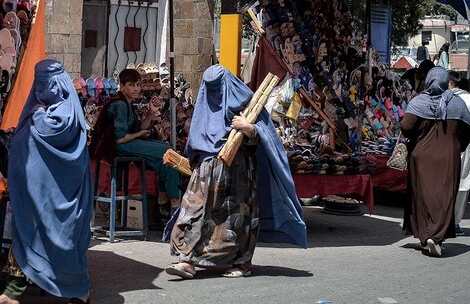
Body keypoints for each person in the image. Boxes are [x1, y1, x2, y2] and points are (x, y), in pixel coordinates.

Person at [165, 65, 307, 279]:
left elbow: (267, 137)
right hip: (205, 173)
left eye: (218, 88)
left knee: (235, 220)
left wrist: (248, 128)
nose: (215, 94)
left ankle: (241, 263)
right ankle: (186, 260)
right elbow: (195, 139)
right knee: (193, 212)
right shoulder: (205, 105)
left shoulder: (247, 103)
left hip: (238, 174)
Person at [1, 59, 92, 304]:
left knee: (65, 241)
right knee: (27, 235)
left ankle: (79, 291)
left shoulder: (65, 112)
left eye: (45, 82)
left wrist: (39, 116)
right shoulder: (39, 109)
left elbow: (55, 132)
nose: (40, 88)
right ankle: (13, 292)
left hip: (62, 194)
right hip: (35, 194)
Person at [89, 69, 181, 219]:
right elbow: (120, 138)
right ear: (122, 86)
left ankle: (164, 201)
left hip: (127, 143)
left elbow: (140, 128)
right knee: (166, 151)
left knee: (166, 158)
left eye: (138, 85)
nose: (136, 88)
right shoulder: (119, 104)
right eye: (132, 85)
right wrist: (139, 134)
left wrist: (151, 113)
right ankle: (172, 203)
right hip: (117, 147)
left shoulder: (128, 104)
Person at [400, 66, 470, 257]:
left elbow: (406, 126)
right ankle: (436, 236)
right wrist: (457, 145)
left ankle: (426, 235)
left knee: (422, 196)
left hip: (421, 158)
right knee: (444, 196)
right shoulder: (457, 104)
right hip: (449, 157)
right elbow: (467, 131)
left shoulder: (418, 102)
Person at [448, 71, 470, 236]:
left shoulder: (444, 98)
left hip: (448, 146)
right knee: (462, 183)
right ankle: (454, 222)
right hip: (465, 147)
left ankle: (445, 221)